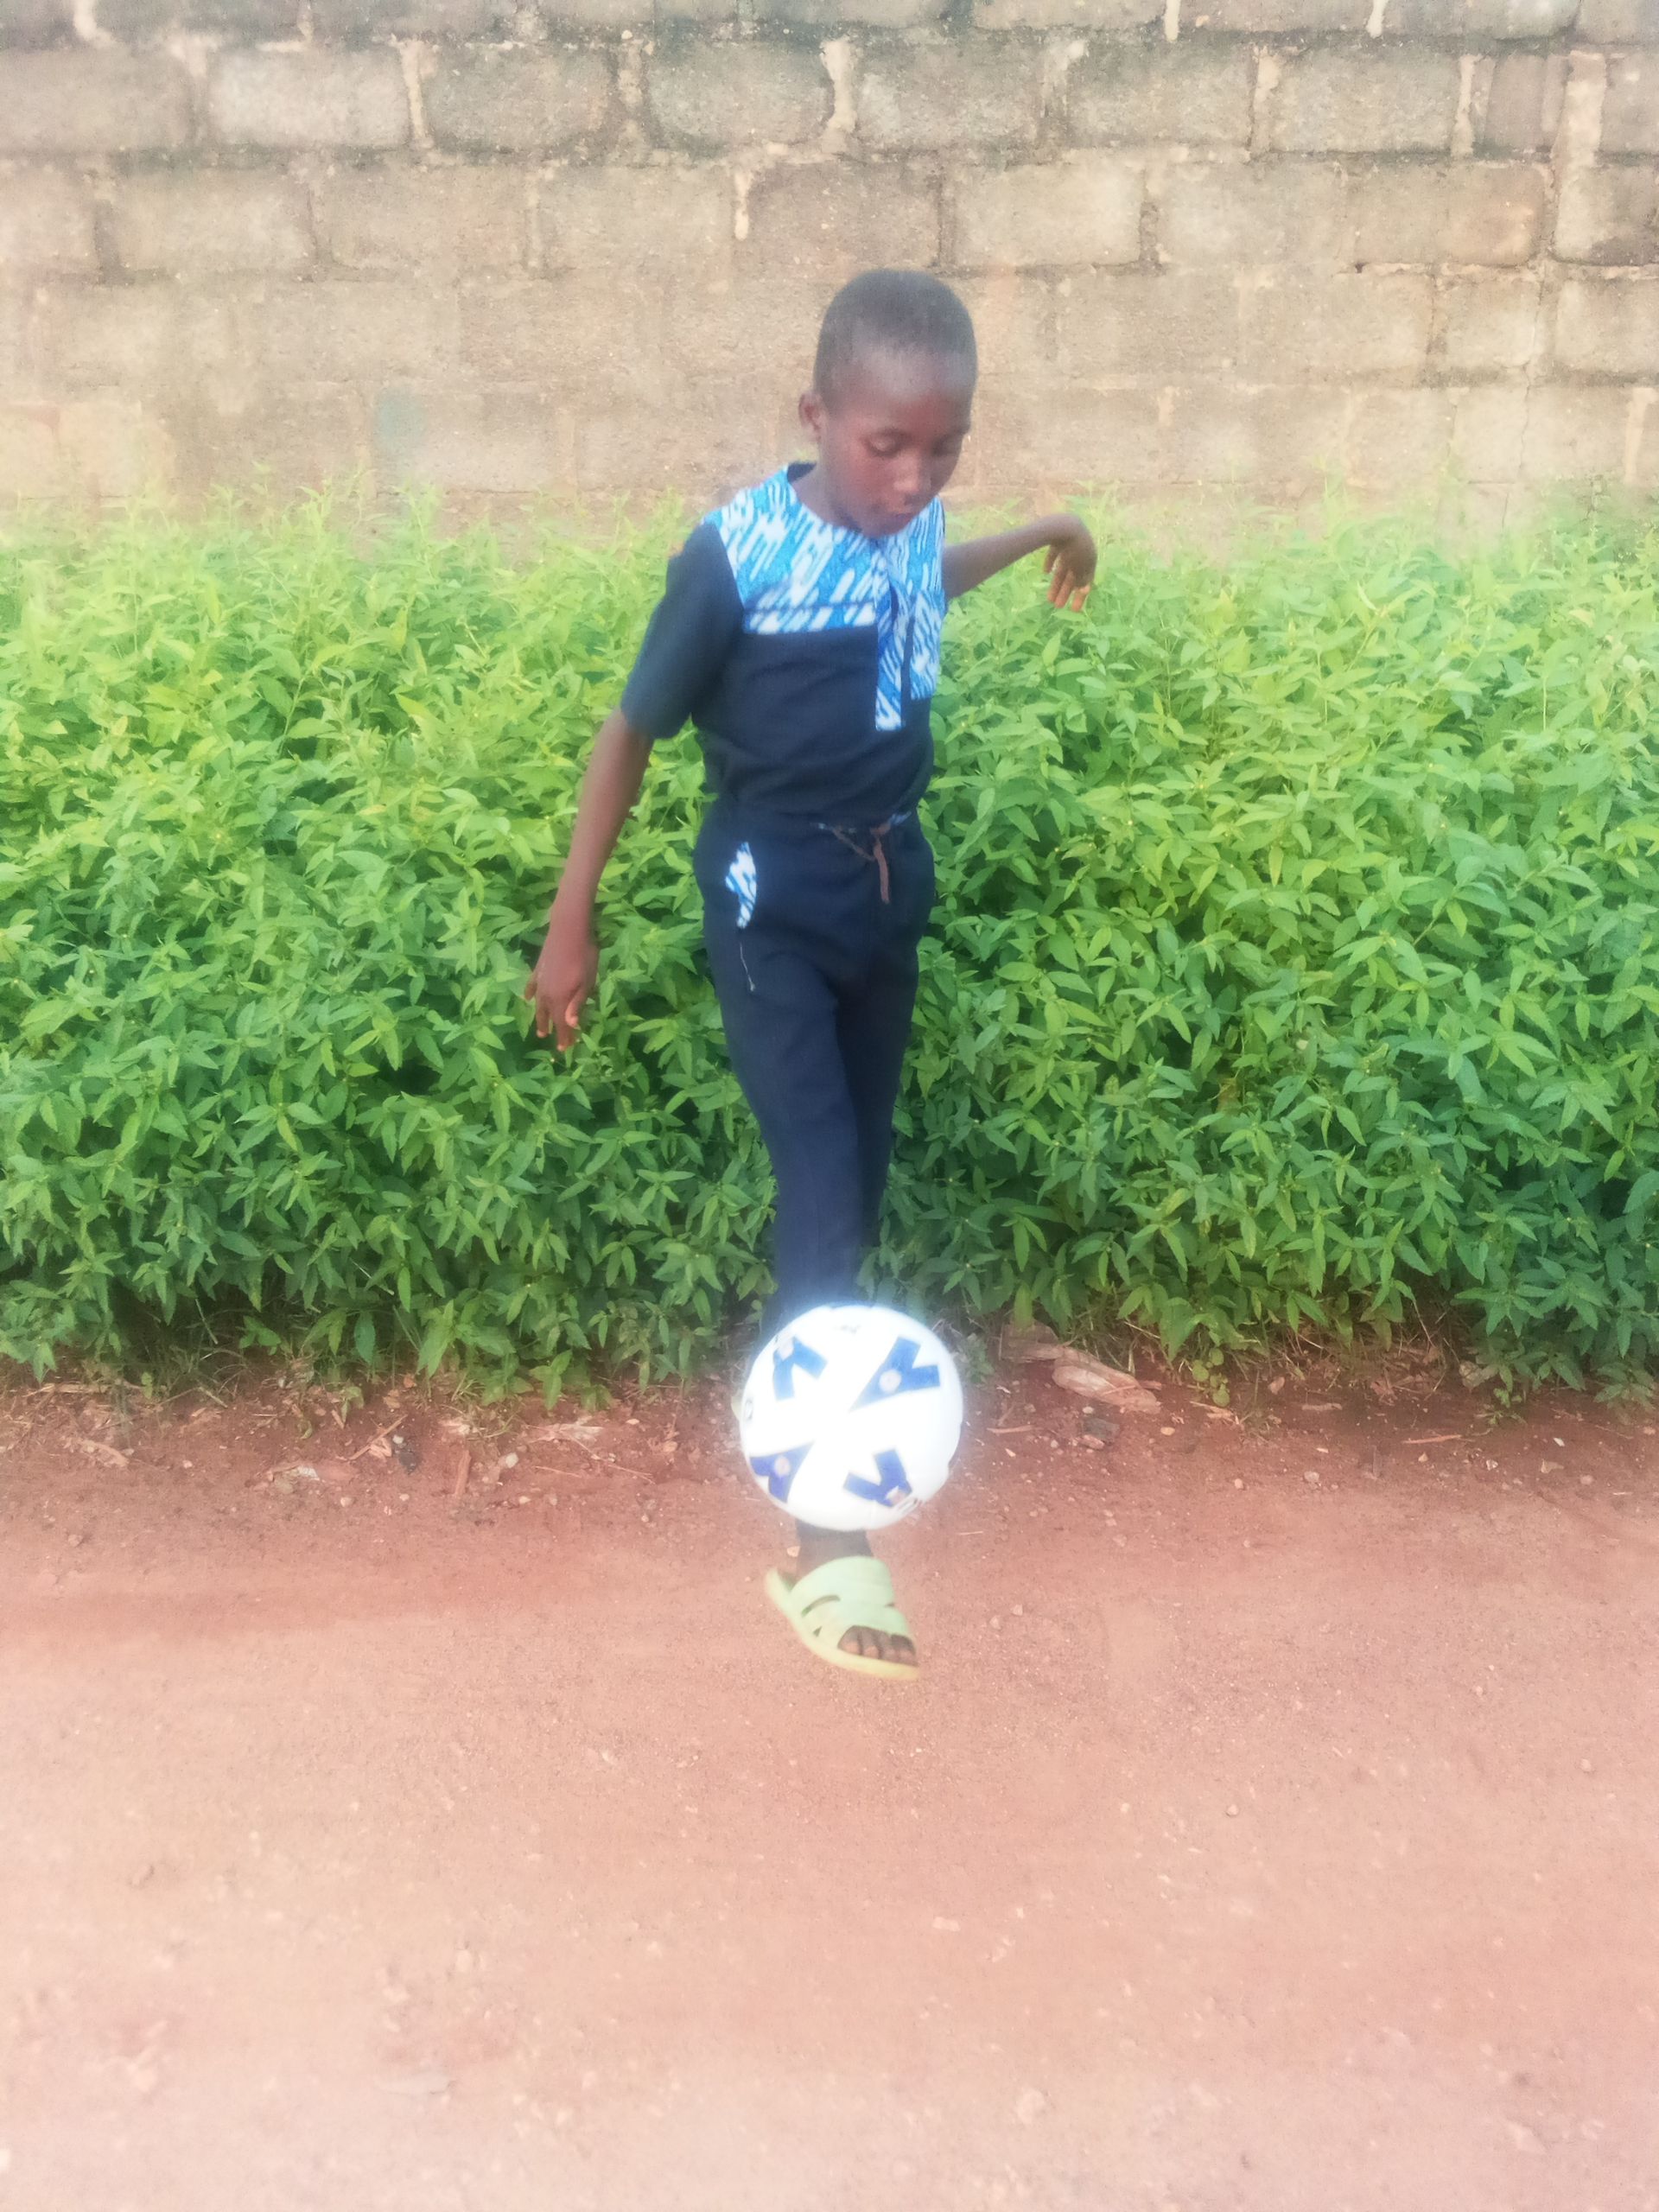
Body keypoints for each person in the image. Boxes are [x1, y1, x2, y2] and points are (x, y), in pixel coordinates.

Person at [525, 268, 1096, 1682]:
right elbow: (629, 729)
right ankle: (825, 1536)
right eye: (886, 446)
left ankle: (824, 1430)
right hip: (770, 899)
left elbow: (921, 572)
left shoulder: (912, 520)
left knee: (861, 1175)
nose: (913, 479)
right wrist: (571, 918)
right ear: (816, 415)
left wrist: (1048, 530)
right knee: (824, 1186)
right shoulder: (735, 559)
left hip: (889, 886)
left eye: (943, 449)